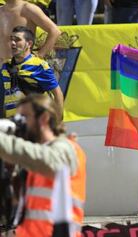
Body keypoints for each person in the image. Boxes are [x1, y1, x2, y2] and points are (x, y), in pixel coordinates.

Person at [0, 93, 86, 236]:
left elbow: (46, 161)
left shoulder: (66, 149)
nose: (20, 124)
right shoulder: (32, 161)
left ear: (44, 118)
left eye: (24, 118)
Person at [0, 26, 64, 121]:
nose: (13, 43)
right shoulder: (5, 65)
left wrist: (58, 121)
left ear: (29, 44)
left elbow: (57, 94)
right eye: (11, 39)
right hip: (12, 122)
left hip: (34, 121)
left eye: (17, 40)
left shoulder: (39, 66)